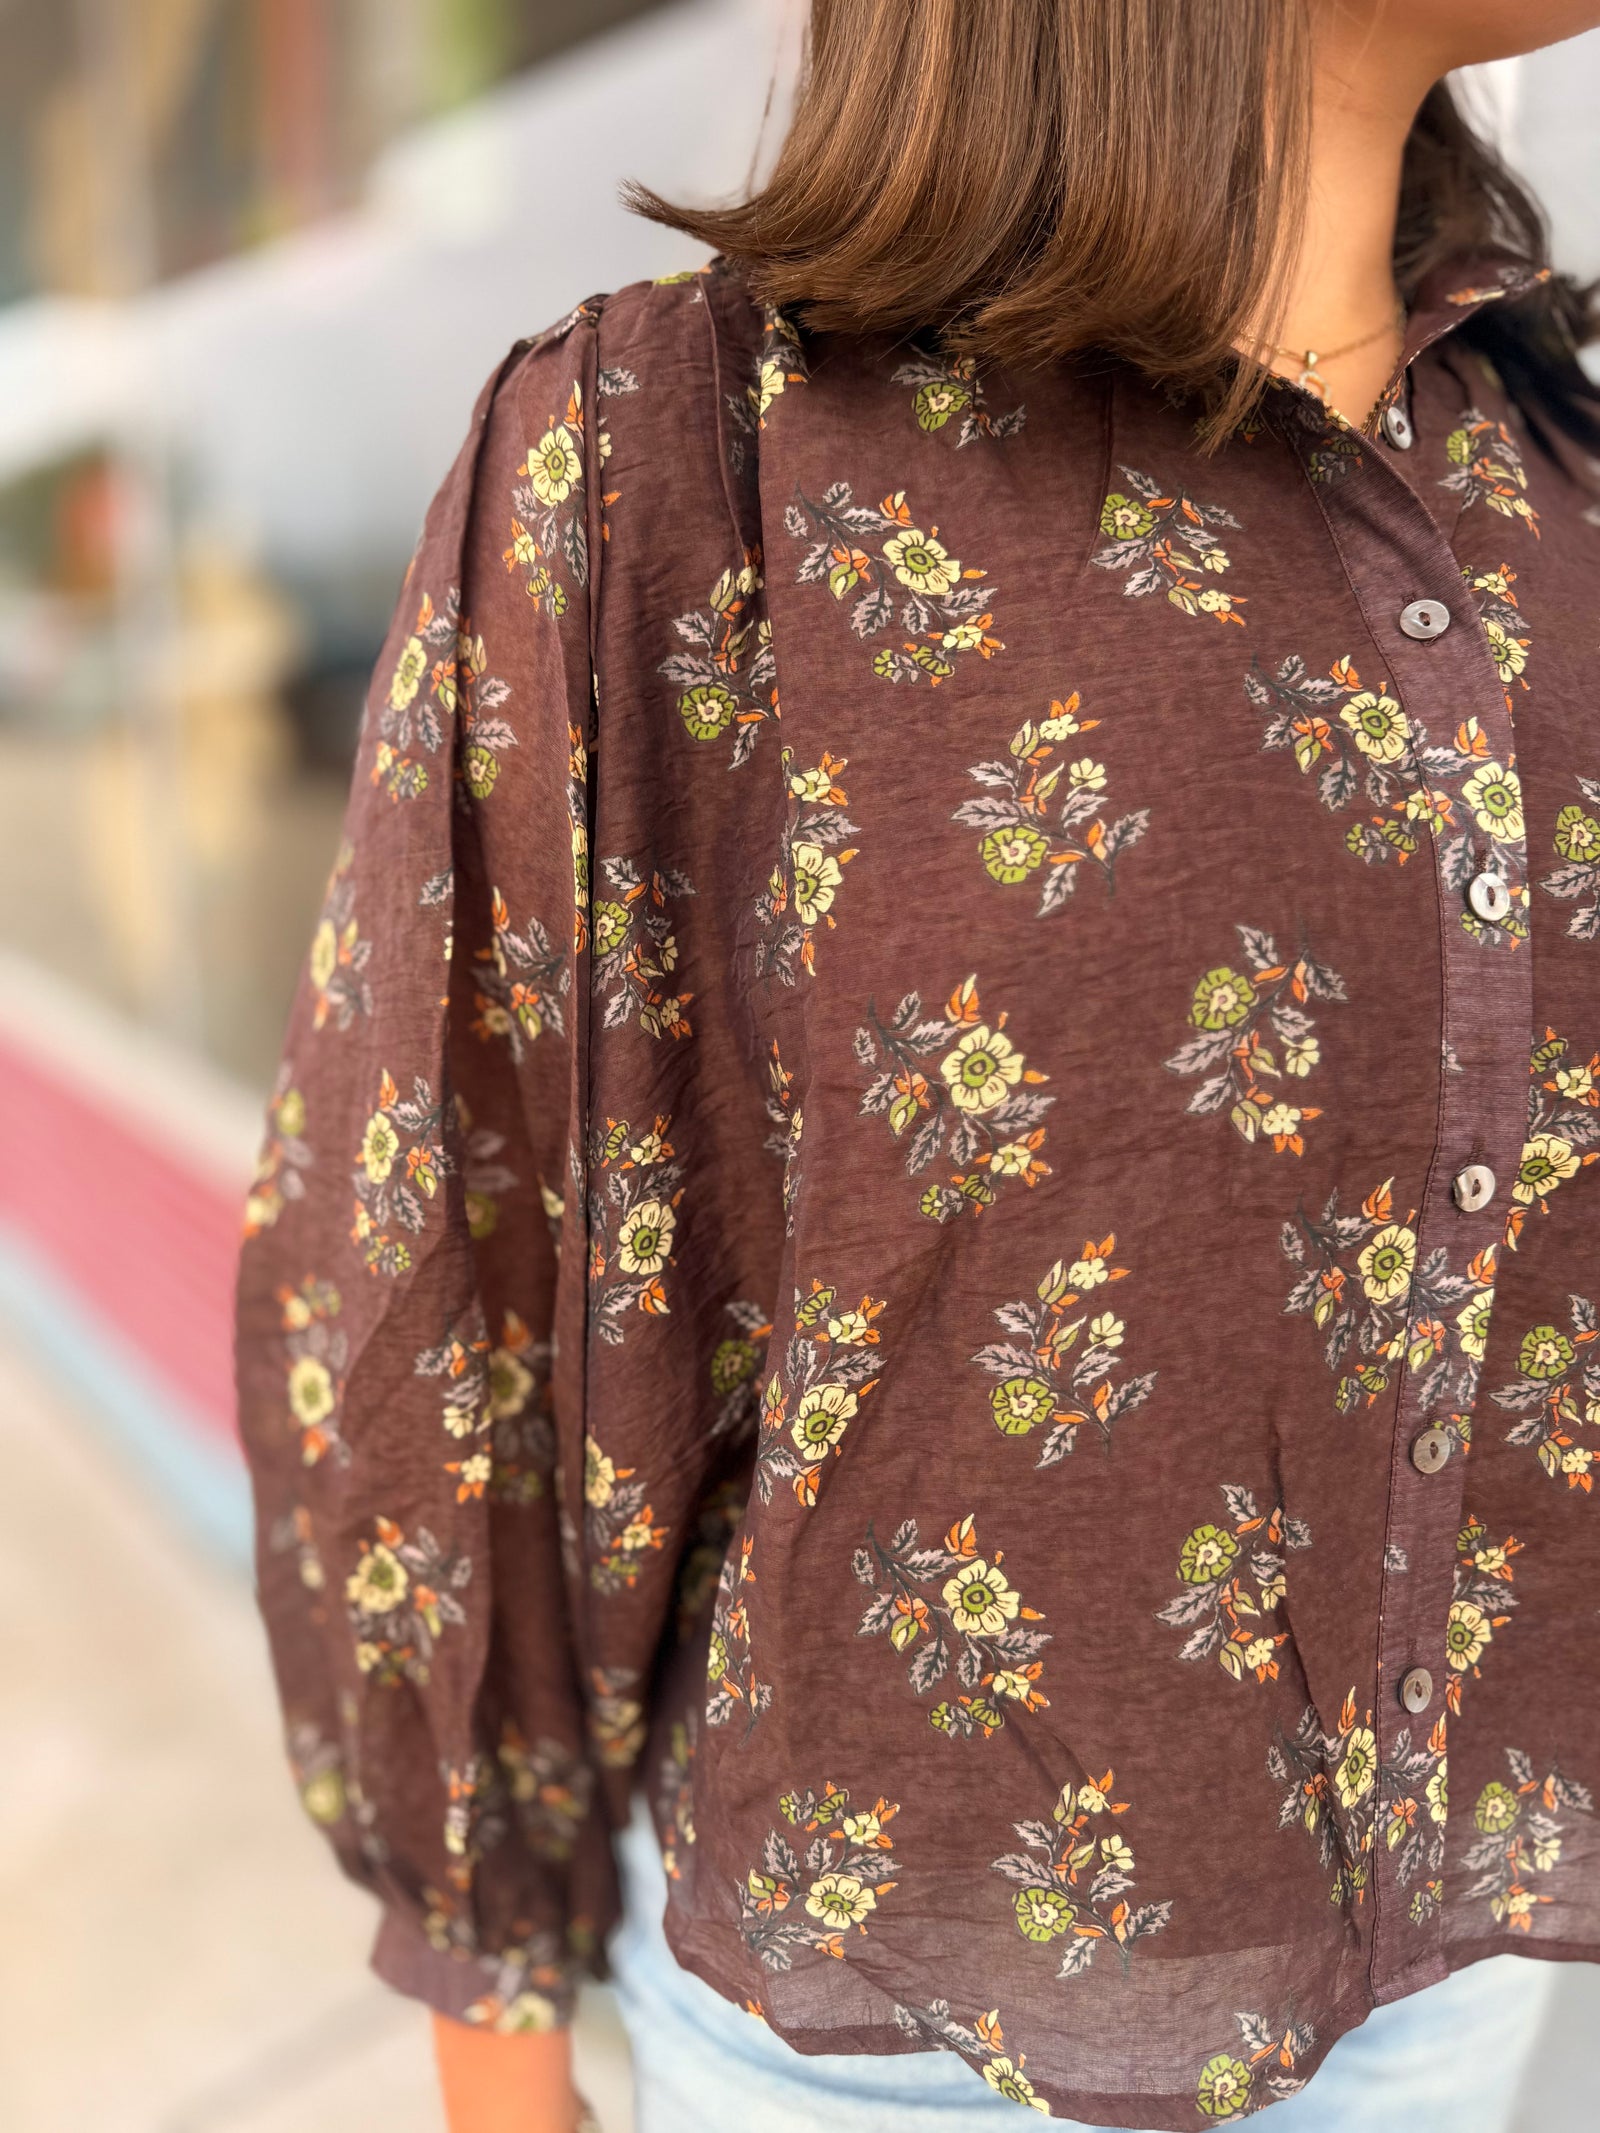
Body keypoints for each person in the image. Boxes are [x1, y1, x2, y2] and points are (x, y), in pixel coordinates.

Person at [234, 2, 1600, 2127]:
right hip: (894, 2040)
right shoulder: (697, 452)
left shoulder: (1552, 478)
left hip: (1462, 1970)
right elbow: (450, 1256)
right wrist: (489, 2011)